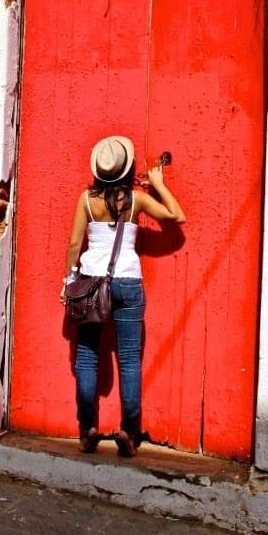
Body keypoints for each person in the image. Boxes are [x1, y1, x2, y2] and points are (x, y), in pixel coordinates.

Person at [60, 135, 185, 457]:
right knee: (129, 360)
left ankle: (87, 431)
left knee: (87, 356)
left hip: (90, 283)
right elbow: (176, 217)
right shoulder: (136, 200)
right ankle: (130, 435)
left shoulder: (86, 200)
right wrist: (157, 184)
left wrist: (69, 279)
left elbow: (75, 245)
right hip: (128, 283)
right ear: (127, 170)